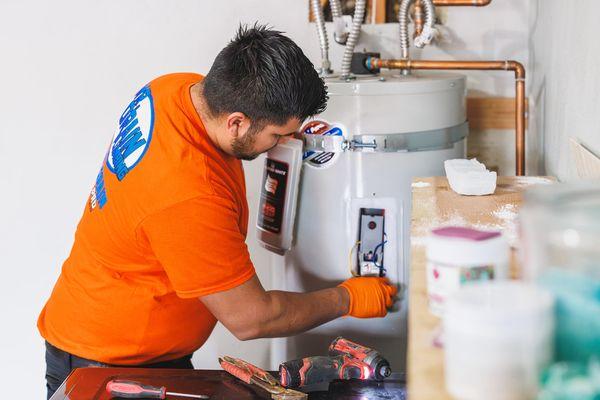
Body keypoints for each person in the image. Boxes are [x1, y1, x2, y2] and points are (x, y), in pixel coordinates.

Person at [39, 24, 397, 399]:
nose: (283, 143)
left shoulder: (176, 89)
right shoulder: (187, 193)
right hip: (108, 363)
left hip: (121, 335)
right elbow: (252, 317)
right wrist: (347, 298)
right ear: (237, 122)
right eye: (277, 135)